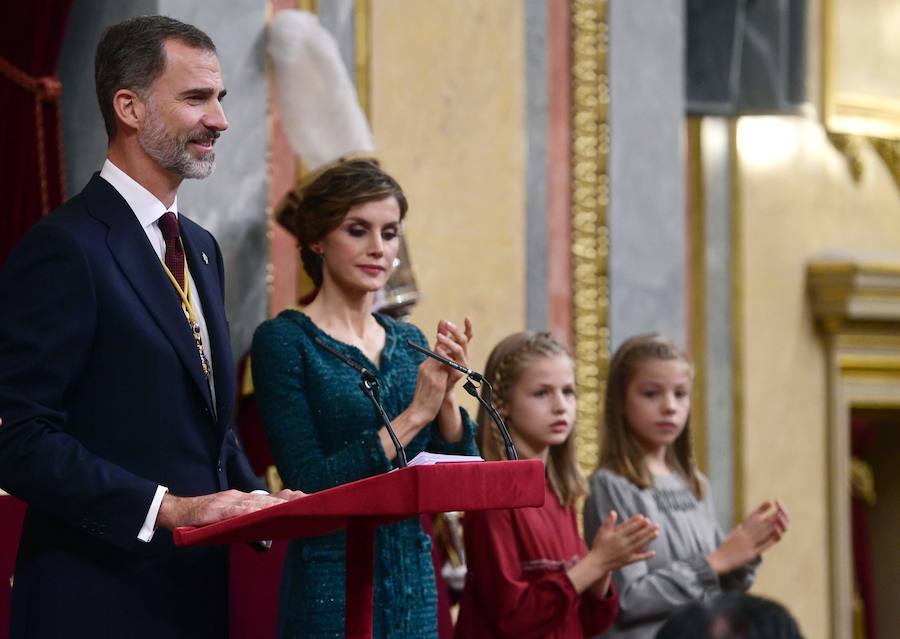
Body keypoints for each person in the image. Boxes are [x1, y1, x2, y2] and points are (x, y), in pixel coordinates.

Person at [0, 16, 298, 638]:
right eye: (196, 98)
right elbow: (20, 441)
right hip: (93, 600)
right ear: (129, 107)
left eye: (220, 98)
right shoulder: (64, 248)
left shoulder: (202, 247)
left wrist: (258, 504)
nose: (219, 119)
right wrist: (171, 509)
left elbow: (205, 423)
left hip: (194, 596)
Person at [251, 158, 479, 638]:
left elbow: (462, 469)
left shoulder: (409, 339)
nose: (379, 248)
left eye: (391, 232)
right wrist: (415, 413)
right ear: (317, 239)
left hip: (415, 583)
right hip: (329, 583)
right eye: (358, 230)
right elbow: (308, 482)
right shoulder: (283, 341)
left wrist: (445, 396)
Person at [454, 331, 659, 638]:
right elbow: (513, 619)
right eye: (541, 393)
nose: (561, 405)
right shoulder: (494, 495)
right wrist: (596, 561)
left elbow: (589, 623)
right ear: (502, 403)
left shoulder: (559, 491)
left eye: (568, 391)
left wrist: (603, 569)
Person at [584, 334, 789, 639]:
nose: (669, 407)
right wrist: (715, 562)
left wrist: (743, 554)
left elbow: (716, 595)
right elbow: (627, 601)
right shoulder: (612, 486)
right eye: (651, 394)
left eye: (680, 394)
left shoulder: (695, 485)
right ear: (621, 402)